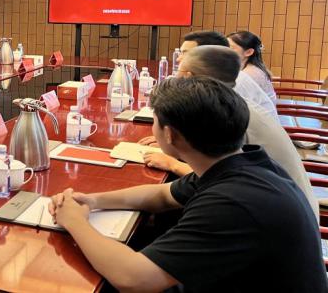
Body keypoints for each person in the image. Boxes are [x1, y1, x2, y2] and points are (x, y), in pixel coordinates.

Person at [48, 77, 326, 293]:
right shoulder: (237, 163)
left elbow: (133, 278)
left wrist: (75, 221)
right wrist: (94, 201)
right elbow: (162, 194)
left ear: (169, 135)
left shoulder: (233, 202)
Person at [141, 45, 318, 218]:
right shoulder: (231, 103)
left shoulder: (226, 115)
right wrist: (181, 139)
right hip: (286, 202)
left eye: (178, 73)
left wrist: (173, 163)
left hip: (279, 213)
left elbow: (221, 177)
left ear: (189, 78)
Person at [178, 30, 277, 119]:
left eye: (186, 53)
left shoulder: (234, 79)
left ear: (210, 54)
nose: (178, 59)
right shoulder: (219, 74)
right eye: (180, 53)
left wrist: (180, 77)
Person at [228, 30, 277, 102]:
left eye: (231, 47)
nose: (224, 50)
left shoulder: (250, 73)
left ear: (249, 52)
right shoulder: (245, 68)